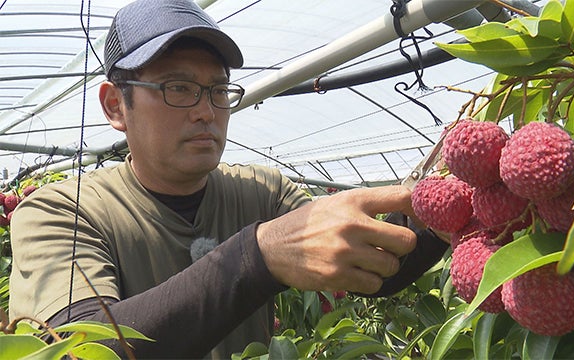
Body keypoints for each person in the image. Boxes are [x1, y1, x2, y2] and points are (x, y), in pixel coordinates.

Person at [8, 0, 448, 358]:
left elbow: (375, 265)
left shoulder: (263, 191)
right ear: (115, 106)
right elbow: (80, 350)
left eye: (219, 91)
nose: (207, 111)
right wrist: (257, 257)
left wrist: (456, 205)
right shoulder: (60, 210)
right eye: (178, 88)